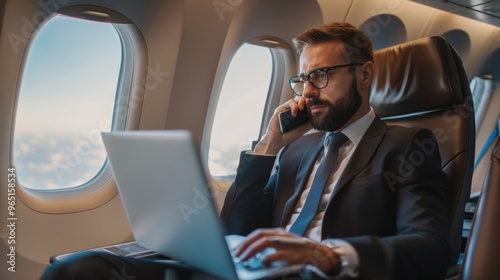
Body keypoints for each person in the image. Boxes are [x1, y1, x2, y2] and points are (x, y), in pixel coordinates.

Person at [41, 22, 450, 280]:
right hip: (253, 271)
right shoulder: (297, 149)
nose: (308, 91)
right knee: (78, 268)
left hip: (320, 273)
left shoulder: (407, 145)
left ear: (364, 75)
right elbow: (237, 226)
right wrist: (269, 145)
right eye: (304, 79)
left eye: (322, 76)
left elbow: (431, 247)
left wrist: (325, 255)